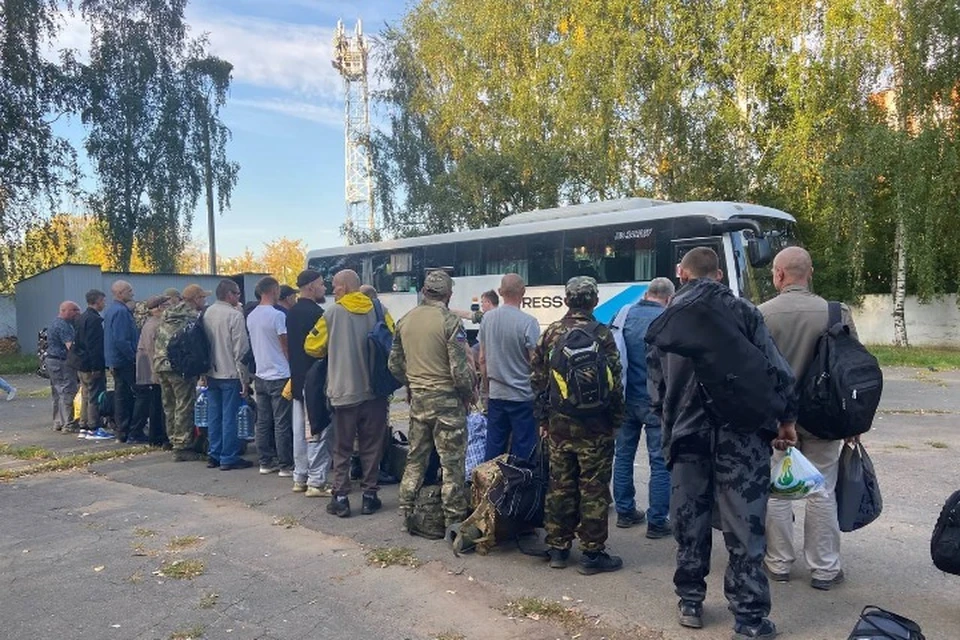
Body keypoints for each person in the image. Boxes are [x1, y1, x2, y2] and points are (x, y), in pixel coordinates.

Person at [646, 247, 797, 639]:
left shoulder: (668, 318)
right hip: (742, 435)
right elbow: (777, 371)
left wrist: (668, 432)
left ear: (683, 275)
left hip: (686, 436)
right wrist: (786, 420)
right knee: (744, 525)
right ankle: (748, 619)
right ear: (718, 274)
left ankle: (691, 601)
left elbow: (657, 390)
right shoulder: (746, 311)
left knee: (688, 520)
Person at [759, 246, 859, 591]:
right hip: (824, 420)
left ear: (780, 275)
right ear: (810, 272)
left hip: (775, 423)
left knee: (776, 492)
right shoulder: (836, 313)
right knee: (821, 491)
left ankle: (778, 563)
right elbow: (851, 375)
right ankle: (825, 569)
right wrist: (853, 425)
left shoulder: (761, 315)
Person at [531, 276, 624, 575]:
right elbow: (615, 383)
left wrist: (543, 420)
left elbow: (538, 381)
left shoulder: (552, 334)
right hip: (596, 428)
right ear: (594, 301)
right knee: (594, 489)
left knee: (560, 486)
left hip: (559, 427)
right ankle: (592, 555)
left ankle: (558, 548)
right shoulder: (602, 334)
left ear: (567, 300)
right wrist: (616, 422)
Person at [389, 270, 475, 529]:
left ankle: (407, 511)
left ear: (424, 291)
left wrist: (412, 381)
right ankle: (453, 519)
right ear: (448, 294)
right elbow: (459, 371)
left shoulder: (405, 320)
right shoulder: (450, 322)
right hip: (447, 402)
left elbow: (393, 363)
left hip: (419, 400)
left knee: (416, 457)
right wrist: (468, 394)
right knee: (452, 463)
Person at [304, 269, 389, 518]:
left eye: (336, 287)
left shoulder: (331, 313)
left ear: (344, 288)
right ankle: (370, 496)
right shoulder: (379, 310)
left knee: (342, 447)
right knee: (371, 445)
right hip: (375, 391)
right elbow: (392, 338)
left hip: (343, 392)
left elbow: (312, 346)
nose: (333, 291)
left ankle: (340, 498)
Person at [613, 277, 675, 537]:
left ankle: (625, 512)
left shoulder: (623, 315)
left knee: (623, 455)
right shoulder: (670, 320)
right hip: (656, 401)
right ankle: (657, 521)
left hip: (626, 397)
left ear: (647, 293)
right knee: (660, 461)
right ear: (668, 298)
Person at [478, 274, 539, 460]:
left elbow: (482, 359)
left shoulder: (487, 319)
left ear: (500, 292)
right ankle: (520, 487)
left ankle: (491, 486)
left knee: (494, 448)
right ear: (523, 292)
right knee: (524, 450)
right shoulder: (529, 322)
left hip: (496, 394)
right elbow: (535, 363)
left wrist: (487, 391)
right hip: (522, 396)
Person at [286, 270, 332, 495]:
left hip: (296, 379)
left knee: (299, 432)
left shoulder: (292, 312)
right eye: (322, 285)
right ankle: (317, 481)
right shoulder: (317, 313)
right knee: (316, 429)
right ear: (311, 286)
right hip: (314, 380)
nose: (325, 289)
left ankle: (300, 476)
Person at [154, 284, 209, 461]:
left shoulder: (168, 314)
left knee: (169, 404)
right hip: (179, 366)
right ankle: (182, 445)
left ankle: (172, 439)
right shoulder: (193, 316)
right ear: (195, 299)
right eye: (203, 298)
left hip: (161, 364)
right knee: (184, 404)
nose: (205, 301)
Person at [203, 279, 253, 471]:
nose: (239, 297)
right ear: (230, 295)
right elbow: (241, 349)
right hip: (230, 372)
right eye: (238, 293)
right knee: (230, 416)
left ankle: (214, 453)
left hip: (211, 370)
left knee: (214, 415)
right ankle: (228, 456)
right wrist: (245, 379)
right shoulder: (234, 316)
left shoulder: (208, 312)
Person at [247, 277, 293, 476]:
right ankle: (285, 464)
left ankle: (265, 461)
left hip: (260, 373)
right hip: (280, 374)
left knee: (263, 421)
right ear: (273, 290)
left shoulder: (251, 316)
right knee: (282, 422)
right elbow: (285, 345)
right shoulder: (277, 316)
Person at [104, 280, 140, 442]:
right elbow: (121, 339)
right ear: (120, 293)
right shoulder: (121, 312)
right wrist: (133, 357)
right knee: (129, 395)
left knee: (121, 395)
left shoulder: (112, 310)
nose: (132, 293)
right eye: (129, 290)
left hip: (116, 360)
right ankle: (129, 429)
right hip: (124, 361)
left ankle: (122, 430)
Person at [68, 289, 107, 437]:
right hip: (91, 364)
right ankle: (94, 427)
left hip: (81, 363)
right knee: (95, 395)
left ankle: (83, 425)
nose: (104, 304)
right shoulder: (95, 320)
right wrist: (96, 367)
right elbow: (94, 346)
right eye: (103, 301)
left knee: (85, 394)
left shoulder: (80, 318)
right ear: (97, 301)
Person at [136, 295, 170, 448]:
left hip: (149, 369)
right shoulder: (154, 325)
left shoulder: (151, 324)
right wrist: (155, 372)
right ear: (158, 308)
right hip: (152, 370)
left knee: (155, 403)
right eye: (166, 305)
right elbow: (151, 350)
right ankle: (158, 436)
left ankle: (156, 436)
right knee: (157, 404)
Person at [46, 301, 82, 433]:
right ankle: (69, 423)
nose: (78, 313)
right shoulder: (64, 326)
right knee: (68, 391)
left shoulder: (54, 322)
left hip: (51, 361)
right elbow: (70, 347)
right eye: (75, 310)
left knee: (57, 393)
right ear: (65, 310)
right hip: (62, 361)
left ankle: (58, 422)